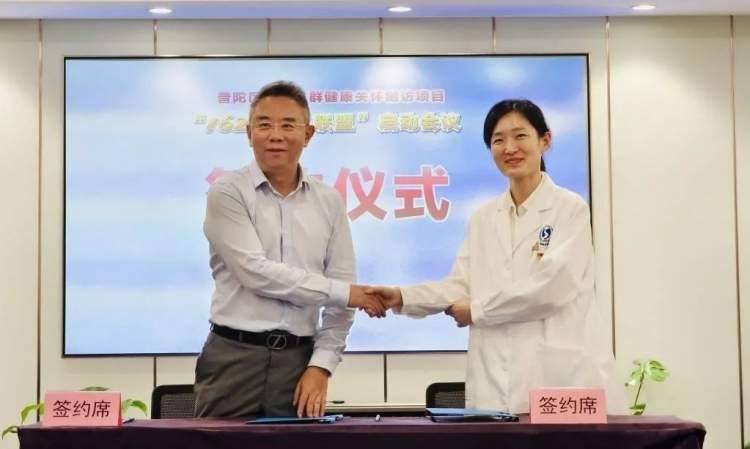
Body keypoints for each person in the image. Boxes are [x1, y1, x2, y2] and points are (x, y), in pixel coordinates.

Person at [368, 99, 619, 413]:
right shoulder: (483, 218)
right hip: (494, 379)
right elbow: (460, 285)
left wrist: (477, 311)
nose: (509, 148)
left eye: (520, 136)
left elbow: (553, 289)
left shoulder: (570, 209)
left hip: (558, 382)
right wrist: (401, 296)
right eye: (498, 140)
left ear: (545, 140)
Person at [194, 81, 384, 419]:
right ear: (248, 133)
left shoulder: (329, 201)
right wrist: (346, 293)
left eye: (287, 125)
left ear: (308, 134)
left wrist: (321, 365)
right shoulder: (227, 193)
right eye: (264, 125)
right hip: (233, 357)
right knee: (217, 444)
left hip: (299, 361)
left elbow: (342, 295)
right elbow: (256, 273)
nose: (275, 136)